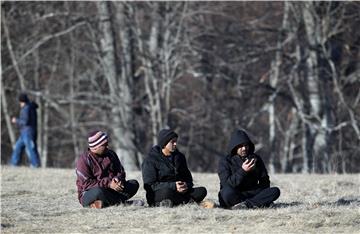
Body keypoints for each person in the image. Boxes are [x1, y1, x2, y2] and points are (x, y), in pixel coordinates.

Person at [142, 129, 209, 207]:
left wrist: (186, 186)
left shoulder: (180, 157)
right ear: (164, 143)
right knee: (167, 192)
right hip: (159, 193)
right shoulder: (150, 160)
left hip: (179, 192)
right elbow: (151, 185)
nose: (175, 144)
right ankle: (187, 202)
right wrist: (173, 186)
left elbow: (188, 179)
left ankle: (174, 203)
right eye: (172, 142)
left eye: (176, 141)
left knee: (202, 191)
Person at [75, 130, 142, 208]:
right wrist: (109, 184)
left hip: (111, 190)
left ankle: (102, 204)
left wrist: (118, 180)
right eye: (104, 145)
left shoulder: (111, 154)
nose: (108, 146)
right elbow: (86, 184)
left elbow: (121, 171)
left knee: (134, 184)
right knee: (99, 192)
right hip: (90, 193)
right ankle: (124, 204)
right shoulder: (84, 160)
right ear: (96, 147)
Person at [218, 129, 280, 209]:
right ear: (234, 147)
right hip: (235, 193)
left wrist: (260, 190)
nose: (244, 148)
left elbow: (265, 181)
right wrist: (243, 171)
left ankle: (245, 205)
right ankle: (258, 203)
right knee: (226, 193)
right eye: (240, 146)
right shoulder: (225, 161)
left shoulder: (255, 158)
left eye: (246, 145)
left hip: (251, 193)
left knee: (275, 191)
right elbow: (226, 184)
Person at [10, 93, 41, 167]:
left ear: (22, 101)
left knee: (30, 148)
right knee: (18, 147)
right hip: (25, 132)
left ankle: (35, 164)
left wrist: (16, 120)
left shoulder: (26, 108)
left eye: (20, 102)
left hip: (28, 132)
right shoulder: (30, 107)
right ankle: (14, 163)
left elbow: (25, 121)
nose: (20, 104)